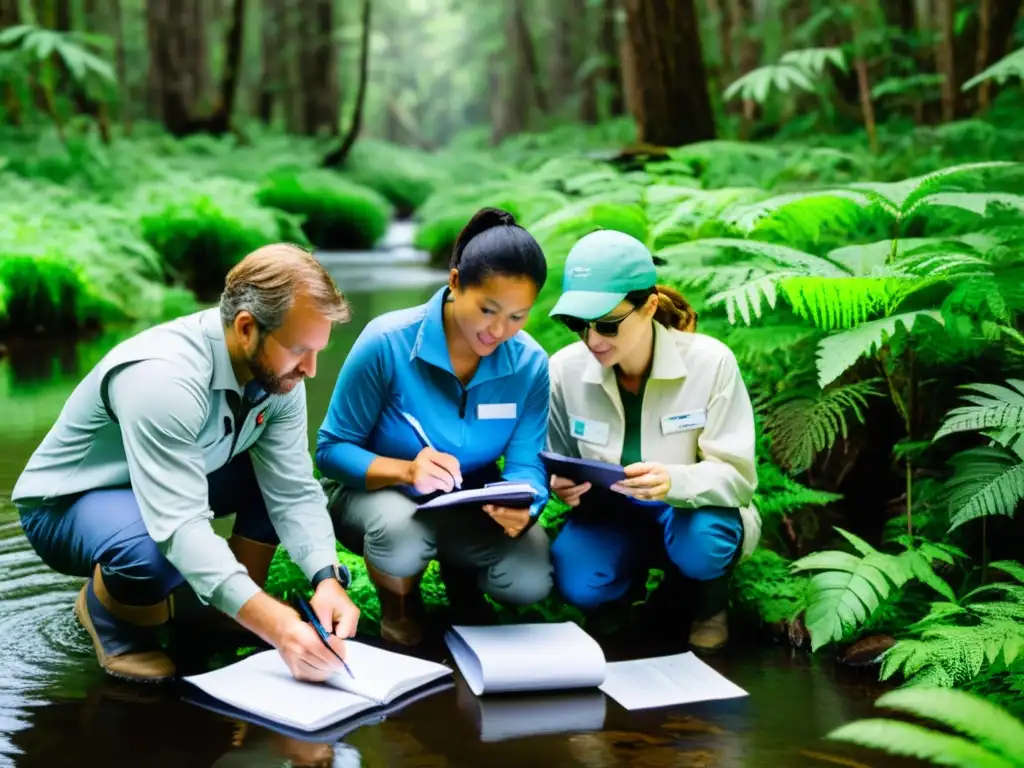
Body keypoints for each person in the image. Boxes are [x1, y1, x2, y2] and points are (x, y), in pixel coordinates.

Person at [11, 244, 361, 683]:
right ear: (247, 328)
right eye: (299, 351)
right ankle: (113, 619)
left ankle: (232, 611)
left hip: (160, 483)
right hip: (66, 505)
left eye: (318, 351)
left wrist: (327, 578)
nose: (310, 369)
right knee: (152, 552)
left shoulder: (281, 371)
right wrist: (283, 627)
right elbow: (179, 526)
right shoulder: (163, 379)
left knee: (266, 483)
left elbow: (291, 487)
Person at [316, 207, 553, 647]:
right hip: (373, 498)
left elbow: (527, 465)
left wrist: (527, 504)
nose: (500, 330)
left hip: (463, 502)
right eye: (488, 310)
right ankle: (400, 614)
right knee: (400, 531)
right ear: (456, 282)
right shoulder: (387, 342)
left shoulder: (530, 364)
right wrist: (406, 471)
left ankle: (462, 591)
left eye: (518, 317)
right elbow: (331, 450)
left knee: (528, 578)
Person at [545, 230, 761, 652]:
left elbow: (737, 478)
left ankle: (707, 604)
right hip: (608, 514)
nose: (592, 341)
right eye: (578, 325)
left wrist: (673, 482)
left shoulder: (710, 362)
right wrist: (559, 487)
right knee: (578, 580)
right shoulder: (563, 371)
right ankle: (614, 608)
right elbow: (555, 460)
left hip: (688, 513)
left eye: (607, 324)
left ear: (649, 307)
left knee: (705, 543)